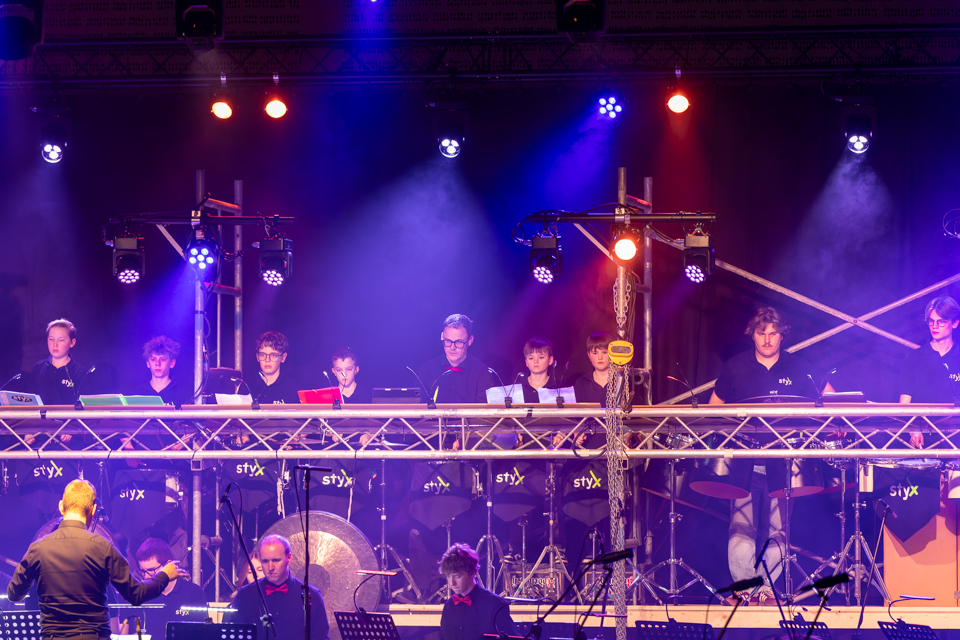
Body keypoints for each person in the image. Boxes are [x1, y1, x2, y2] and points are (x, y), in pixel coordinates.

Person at [708, 307, 834, 603]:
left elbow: (831, 398)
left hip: (786, 463)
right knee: (741, 526)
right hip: (743, 462)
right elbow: (713, 409)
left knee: (779, 529)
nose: (767, 339)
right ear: (751, 334)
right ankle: (744, 588)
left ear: (782, 335)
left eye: (773, 333)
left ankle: (764, 590)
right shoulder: (735, 366)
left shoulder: (800, 366)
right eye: (761, 333)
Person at [7, 479, 189, 639]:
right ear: (93, 510)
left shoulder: (38, 549)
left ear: (61, 507)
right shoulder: (104, 548)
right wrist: (164, 576)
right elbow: (136, 594)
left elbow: (14, 594)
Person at [228, 534, 329, 640]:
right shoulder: (245, 595)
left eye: (276, 560)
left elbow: (321, 637)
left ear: (289, 558)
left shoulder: (312, 595)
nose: (270, 567)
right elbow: (235, 635)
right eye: (265, 561)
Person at [899, 295, 960, 447]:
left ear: (955, 323)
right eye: (931, 321)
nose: (934, 326)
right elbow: (904, 404)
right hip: (925, 439)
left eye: (941, 322)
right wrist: (913, 429)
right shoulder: (914, 357)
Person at [119, 538, 208, 637]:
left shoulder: (193, 593)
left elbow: (201, 634)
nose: (146, 576)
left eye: (151, 570)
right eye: (143, 571)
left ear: (168, 565)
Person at [439, 543, 516, 640]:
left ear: (472, 573)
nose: (452, 583)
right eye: (448, 576)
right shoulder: (449, 606)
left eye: (457, 576)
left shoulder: (495, 604)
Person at [417, 314, 497, 404]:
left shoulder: (482, 372)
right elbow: (418, 409)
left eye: (458, 342)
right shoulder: (427, 370)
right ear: (442, 337)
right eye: (448, 341)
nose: (452, 347)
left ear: (470, 340)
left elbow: (485, 411)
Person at [31, 318, 88, 406]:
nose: (55, 344)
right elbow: (29, 402)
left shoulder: (80, 373)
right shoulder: (38, 368)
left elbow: (83, 406)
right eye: (51, 339)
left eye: (61, 340)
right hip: (41, 415)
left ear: (72, 342)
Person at [131, 336, 191, 405]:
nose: (157, 363)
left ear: (172, 363)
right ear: (148, 363)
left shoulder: (183, 393)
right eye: (153, 359)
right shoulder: (138, 393)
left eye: (163, 359)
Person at [249, 331, 301, 404]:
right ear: (257, 357)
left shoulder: (295, 388)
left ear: (283, 357)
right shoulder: (247, 386)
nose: (267, 360)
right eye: (263, 355)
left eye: (273, 355)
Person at [573, 331, 616, 405]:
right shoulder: (582, 383)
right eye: (595, 353)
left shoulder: (622, 380)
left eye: (605, 352)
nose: (600, 357)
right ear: (589, 355)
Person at [519, 338, 557, 403]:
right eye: (531, 358)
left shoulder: (558, 388)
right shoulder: (517, 388)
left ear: (550, 360)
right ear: (526, 362)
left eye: (541, 357)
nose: (536, 361)